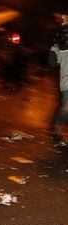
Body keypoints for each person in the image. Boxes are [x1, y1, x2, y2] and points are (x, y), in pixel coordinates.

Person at [50, 14, 68, 146]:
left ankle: (56, 129)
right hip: (67, 84)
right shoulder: (58, 49)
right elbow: (52, 64)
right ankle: (56, 129)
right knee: (67, 107)